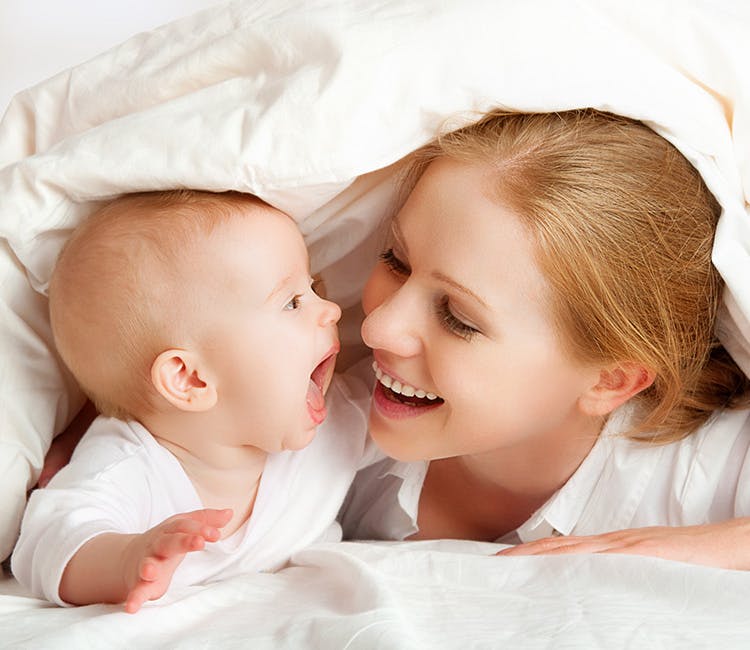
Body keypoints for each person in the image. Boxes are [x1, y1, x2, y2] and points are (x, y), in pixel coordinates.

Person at [339, 108, 750, 569]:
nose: (377, 329)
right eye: (396, 261)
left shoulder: (702, 473)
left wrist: (697, 549)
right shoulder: (331, 428)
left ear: (611, 380)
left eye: (458, 318)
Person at [12, 190, 372, 612]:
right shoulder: (130, 464)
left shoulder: (339, 423)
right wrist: (127, 558)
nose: (330, 309)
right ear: (190, 378)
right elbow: (49, 541)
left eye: (313, 287)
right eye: (292, 302)